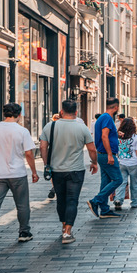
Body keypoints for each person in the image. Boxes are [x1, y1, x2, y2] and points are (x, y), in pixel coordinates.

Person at [39, 100, 97, 244]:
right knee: (72, 200)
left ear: (62, 111)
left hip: (56, 170)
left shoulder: (50, 126)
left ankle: (64, 226)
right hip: (76, 170)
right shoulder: (82, 128)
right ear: (76, 112)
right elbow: (91, 149)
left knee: (61, 199)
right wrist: (94, 162)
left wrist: (47, 164)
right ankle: (68, 232)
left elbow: (42, 147)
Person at [0, 103, 39, 248]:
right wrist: (34, 171)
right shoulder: (22, 131)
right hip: (17, 173)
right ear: (19, 115)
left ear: (3, 114)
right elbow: (29, 153)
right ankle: (24, 233)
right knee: (22, 204)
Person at [86, 97, 124, 219]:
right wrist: (109, 155)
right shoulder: (107, 118)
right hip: (107, 155)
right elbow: (104, 136)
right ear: (116, 107)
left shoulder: (102, 117)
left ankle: (104, 209)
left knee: (105, 182)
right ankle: (96, 200)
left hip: (101, 154)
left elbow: (106, 134)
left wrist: (116, 134)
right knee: (118, 179)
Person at [114, 118, 137, 211]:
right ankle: (134, 202)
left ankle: (118, 199)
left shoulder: (118, 137)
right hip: (133, 163)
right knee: (134, 183)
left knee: (122, 182)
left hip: (121, 163)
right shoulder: (136, 138)